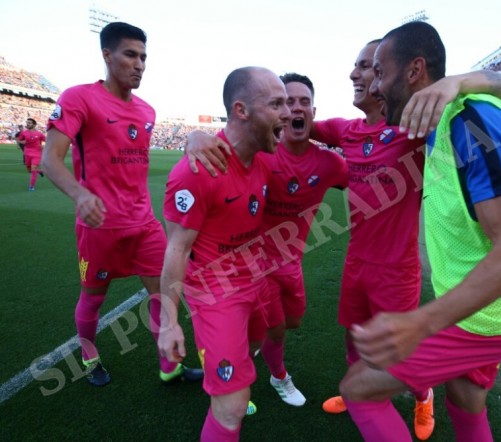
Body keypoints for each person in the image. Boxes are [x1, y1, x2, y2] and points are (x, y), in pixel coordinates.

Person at [185, 43, 501, 441]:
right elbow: (282, 126)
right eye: (359, 66)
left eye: (368, 67)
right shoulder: (344, 131)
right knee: (354, 338)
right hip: (354, 263)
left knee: (402, 351)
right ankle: (351, 391)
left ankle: (422, 397)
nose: (356, 74)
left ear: (388, 79)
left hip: (397, 267)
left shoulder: (414, 128)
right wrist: (198, 134)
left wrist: (457, 84)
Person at [338, 21, 501, 442]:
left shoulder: (474, 124)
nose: (375, 86)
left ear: (415, 70)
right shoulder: (448, 115)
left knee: (358, 390)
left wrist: (421, 323)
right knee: (464, 396)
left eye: (381, 73)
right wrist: (458, 82)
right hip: (489, 305)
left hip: (488, 316)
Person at [42, 22, 202, 387]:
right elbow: (50, 159)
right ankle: (89, 354)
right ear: (107, 55)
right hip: (99, 228)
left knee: (164, 294)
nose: (140, 64)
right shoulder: (78, 98)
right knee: (93, 300)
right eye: (130, 55)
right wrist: (81, 195)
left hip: (143, 224)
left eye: (144, 57)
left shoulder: (147, 111)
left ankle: (170, 366)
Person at [158, 66, 290, 442]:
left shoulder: (265, 154)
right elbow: (177, 249)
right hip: (217, 296)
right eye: (276, 103)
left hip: (257, 281)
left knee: (258, 344)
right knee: (232, 409)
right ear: (241, 110)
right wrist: (169, 323)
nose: (288, 113)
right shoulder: (197, 171)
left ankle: (225, 367)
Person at [256, 73, 348, 407]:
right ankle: (278, 376)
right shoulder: (260, 153)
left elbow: (368, 179)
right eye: (287, 101)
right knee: (277, 327)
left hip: (291, 261)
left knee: (292, 320)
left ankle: (259, 335)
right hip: (255, 263)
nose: (297, 107)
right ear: (278, 110)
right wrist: (195, 137)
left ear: (313, 110)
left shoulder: (330, 163)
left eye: (303, 101)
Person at [17, 118, 45, 191]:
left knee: (33, 170)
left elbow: (47, 140)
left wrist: (44, 147)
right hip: (27, 153)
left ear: (34, 125)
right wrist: (24, 142)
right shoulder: (24, 133)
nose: (27, 124)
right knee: (29, 170)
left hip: (37, 154)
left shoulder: (39, 134)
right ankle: (39, 171)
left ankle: (31, 186)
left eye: (29, 123)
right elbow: (19, 140)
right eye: (27, 122)